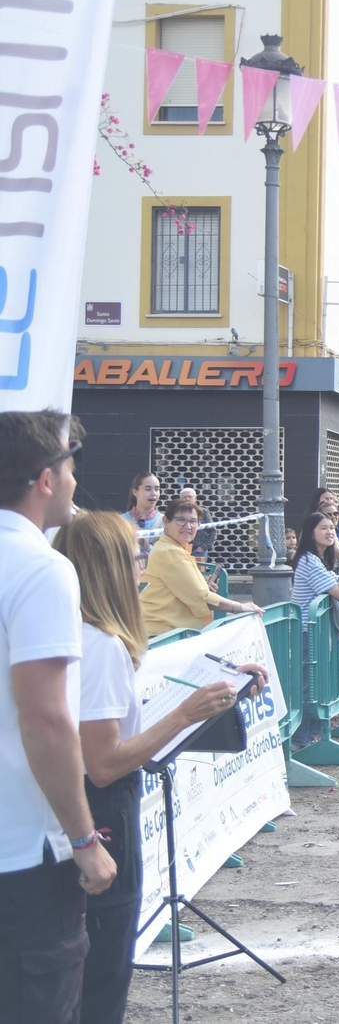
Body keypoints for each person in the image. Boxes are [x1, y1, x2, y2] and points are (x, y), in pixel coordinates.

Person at [57, 513, 263, 1024]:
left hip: (81, 808)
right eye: (132, 557)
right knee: (101, 975)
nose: (141, 566)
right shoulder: (101, 645)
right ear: (106, 569)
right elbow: (104, 762)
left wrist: (217, 690)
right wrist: (185, 713)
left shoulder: (83, 635)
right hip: (102, 810)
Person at [1, 411, 118, 1023]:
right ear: (45, 478)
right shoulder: (42, 567)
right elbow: (45, 718)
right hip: (23, 855)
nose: (76, 481)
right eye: (71, 468)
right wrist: (83, 839)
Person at [290, 513, 339, 748]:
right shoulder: (308, 560)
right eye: (323, 528)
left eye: (332, 528)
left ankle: (312, 737)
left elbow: (336, 586)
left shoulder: (317, 559)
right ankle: (300, 741)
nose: (330, 532)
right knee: (309, 687)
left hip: (317, 632)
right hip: (307, 632)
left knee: (318, 685)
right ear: (310, 532)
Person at [140, 497, 260, 636]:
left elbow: (186, 592)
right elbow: (201, 597)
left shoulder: (174, 548)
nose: (188, 526)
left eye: (193, 521)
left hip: (170, 633)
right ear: (166, 522)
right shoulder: (169, 551)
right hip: (165, 635)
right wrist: (241, 607)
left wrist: (204, 587)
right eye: (180, 520)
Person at [122, 471, 162, 569]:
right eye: (148, 489)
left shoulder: (166, 522)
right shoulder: (120, 521)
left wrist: (147, 546)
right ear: (135, 492)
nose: (153, 493)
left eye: (157, 489)